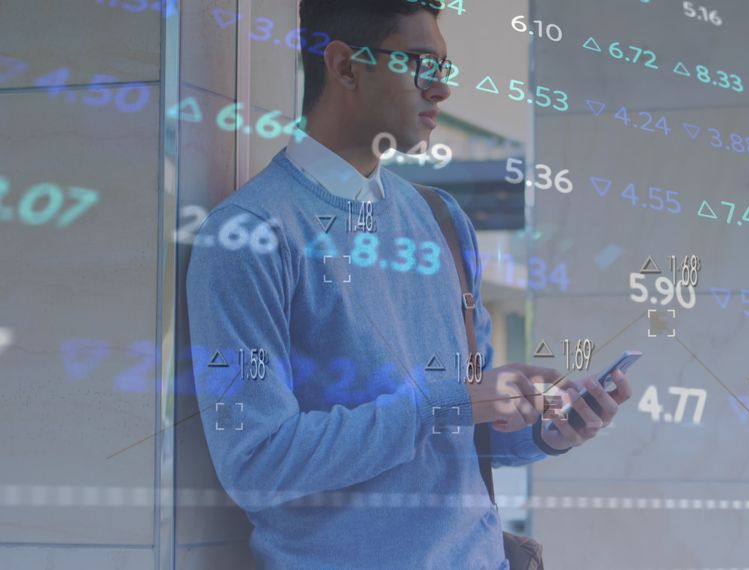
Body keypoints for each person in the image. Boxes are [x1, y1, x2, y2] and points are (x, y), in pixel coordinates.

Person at [185, 1, 634, 568]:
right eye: (421, 64)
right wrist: (440, 405)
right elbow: (256, 464)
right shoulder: (250, 235)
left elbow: (461, 433)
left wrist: (549, 431)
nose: (440, 90)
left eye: (443, 69)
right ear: (346, 66)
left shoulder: (443, 220)